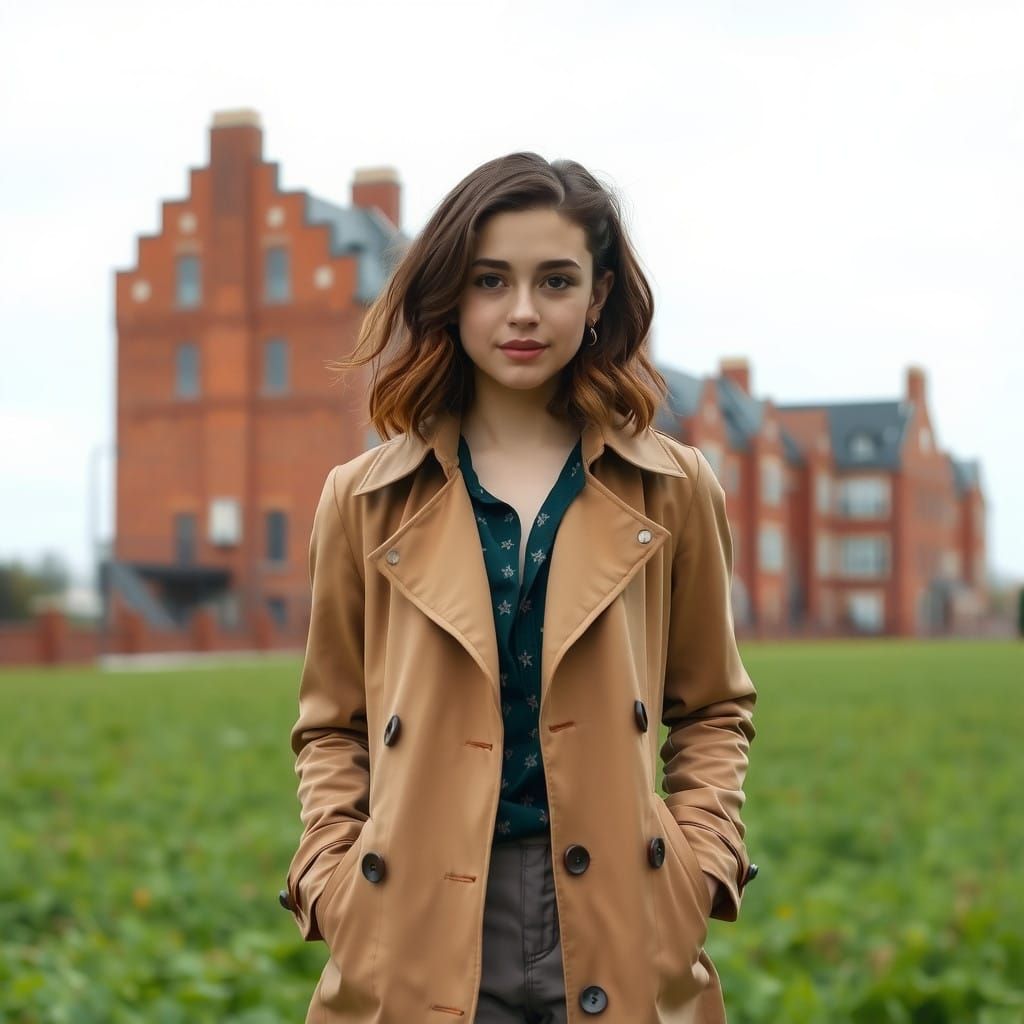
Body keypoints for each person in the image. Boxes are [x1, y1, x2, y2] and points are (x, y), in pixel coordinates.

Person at [280, 152, 758, 1024]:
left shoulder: (676, 486)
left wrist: (699, 865)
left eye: (557, 280)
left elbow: (714, 709)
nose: (524, 312)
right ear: (450, 294)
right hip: (412, 916)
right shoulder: (361, 498)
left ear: (600, 295)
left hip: (624, 906)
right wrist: (333, 880)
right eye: (491, 280)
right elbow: (331, 724)